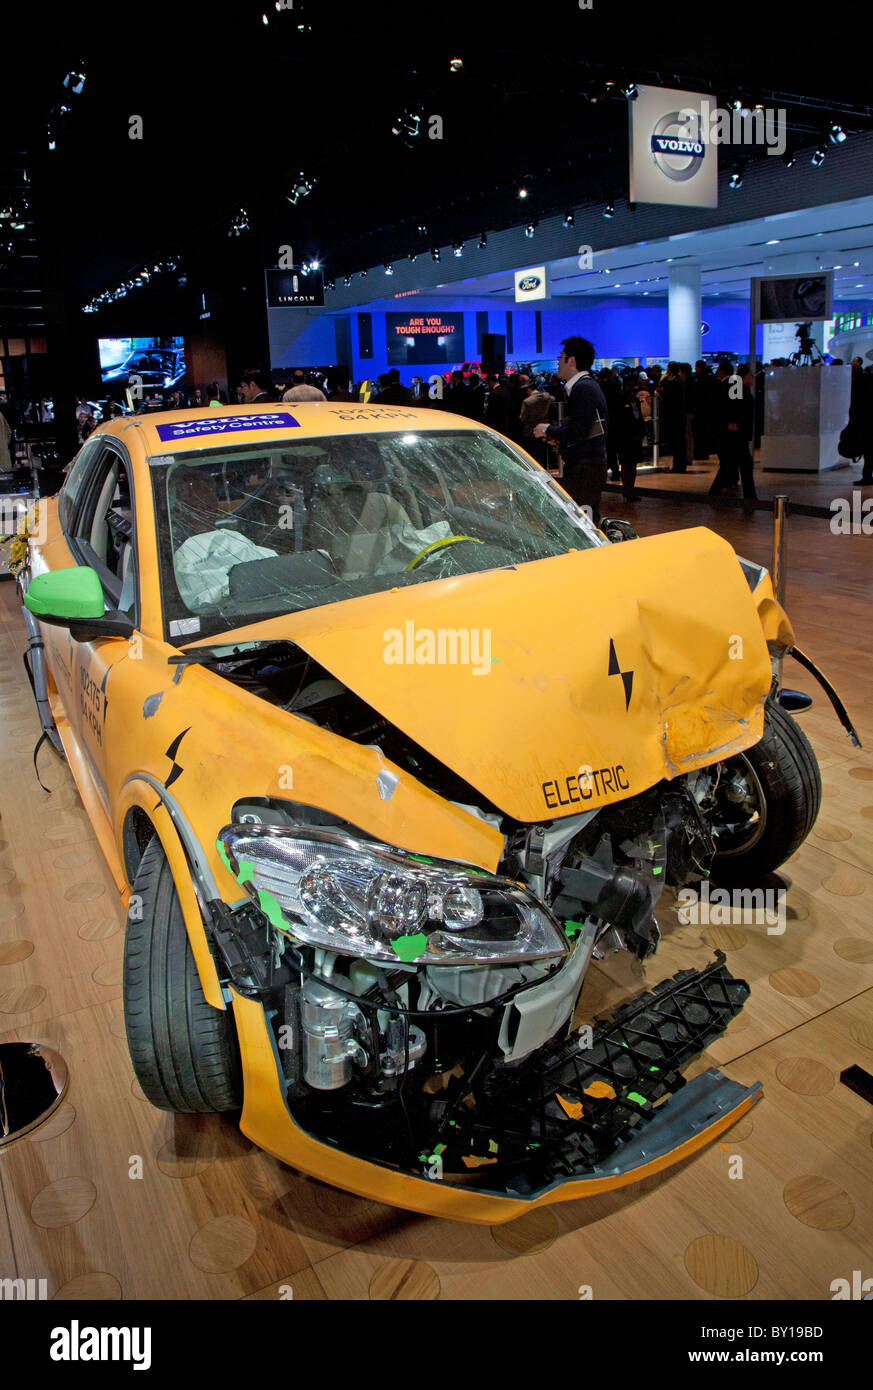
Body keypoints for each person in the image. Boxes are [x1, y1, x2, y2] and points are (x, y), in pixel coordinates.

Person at [533, 336, 608, 523]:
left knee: (582, 523)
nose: (558, 362)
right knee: (582, 519)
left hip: (585, 468)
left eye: (561, 357)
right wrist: (560, 437)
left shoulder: (584, 388)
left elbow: (578, 431)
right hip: (585, 466)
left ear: (571, 360)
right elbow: (583, 429)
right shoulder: (585, 387)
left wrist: (548, 429)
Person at [611, 373, 644, 502]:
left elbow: (639, 417)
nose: (632, 387)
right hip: (625, 438)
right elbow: (618, 420)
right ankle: (627, 489)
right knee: (626, 464)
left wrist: (641, 433)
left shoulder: (635, 400)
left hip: (636, 437)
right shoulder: (619, 399)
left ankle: (631, 489)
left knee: (633, 464)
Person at [519, 378, 555, 466]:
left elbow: (522, 418)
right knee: (543, 454)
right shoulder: (548, 398)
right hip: (545, 429)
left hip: (530, 431)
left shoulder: (527, 401)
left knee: (533, 456)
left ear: (528, 390)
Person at [848, 366, 873, 486]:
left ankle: (867, 477)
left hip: (864, 421)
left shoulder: (861, 383)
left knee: (868, 451)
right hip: (866, 421)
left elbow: (855, 403)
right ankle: (867, 476)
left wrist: (852, 417)